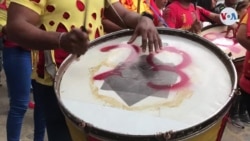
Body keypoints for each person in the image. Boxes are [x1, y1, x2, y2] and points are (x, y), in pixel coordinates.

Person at [6, 0, 162, 141]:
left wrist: (143, 19)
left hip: (93, 80)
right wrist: (61, 40)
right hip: (54, 82)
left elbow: (124, 14)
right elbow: (15, 26)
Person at [0, 0, 46, 141]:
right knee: (19, 104)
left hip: (42, 49)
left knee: (42, 104)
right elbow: (5, 23)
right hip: (17, 48)